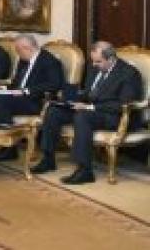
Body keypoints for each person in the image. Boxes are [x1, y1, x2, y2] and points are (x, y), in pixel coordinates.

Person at [32, 41, 142, 184]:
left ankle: (85, 171)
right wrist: (70, 100)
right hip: (92, 110)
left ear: (111, 59)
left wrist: (90, 107)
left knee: (83, 116)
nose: (94, 65)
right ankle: (48, 159)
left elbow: (122, 105)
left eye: (98, 61)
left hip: (115, 116)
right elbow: (88, 94)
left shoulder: (129, 73)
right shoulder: (95, 68)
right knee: (54, 110)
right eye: (93, 61)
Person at [0, 34, 64, 162]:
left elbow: (54, 84)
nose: (17, 53)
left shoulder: (49, 61)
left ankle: (9, 148)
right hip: (19, 98)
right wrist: (2, 87)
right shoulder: (23, 60)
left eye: (18, 50)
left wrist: (27, 91)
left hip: (36, 101)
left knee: (1, 101)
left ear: (27, 48)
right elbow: (16, 83)